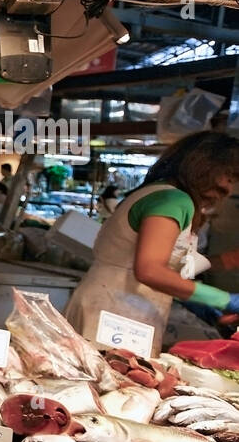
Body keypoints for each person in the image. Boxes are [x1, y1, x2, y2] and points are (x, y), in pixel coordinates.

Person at [65, 131, 239, 357]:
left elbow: (162, 267)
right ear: (204, 165)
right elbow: (149, 270)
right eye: (228, 176)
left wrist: (199, 304)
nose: (228, 189)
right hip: (114, 315)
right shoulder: (173, 200)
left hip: (116, 311)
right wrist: (223, 298)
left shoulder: (160, 194)